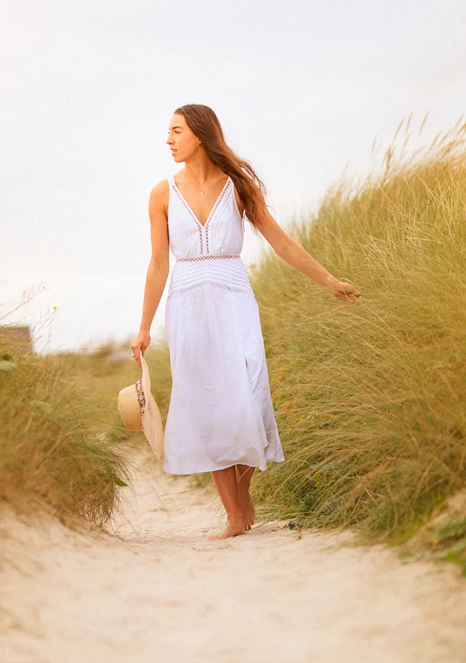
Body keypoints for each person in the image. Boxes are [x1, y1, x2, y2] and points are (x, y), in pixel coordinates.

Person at [131, 104, 360, 541]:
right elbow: (158, 264)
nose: (168, 139)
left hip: (233, 298)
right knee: (205, 400)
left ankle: (243, 490)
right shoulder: (161, 194)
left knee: (245, 392)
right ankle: (233, 515)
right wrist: (144, 327)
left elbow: (282, 242)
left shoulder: (238, 187)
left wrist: (330, 281)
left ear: (199, 134)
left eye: (176, 131)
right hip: (187, 303)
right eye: (169, 132)